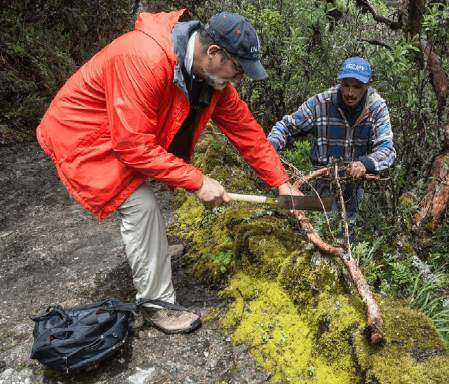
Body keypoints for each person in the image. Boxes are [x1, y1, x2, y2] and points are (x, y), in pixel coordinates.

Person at [37, 10, 301, 335]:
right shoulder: (144, 57)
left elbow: (246, 131)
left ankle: (154, 256)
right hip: (82, 134)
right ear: (214, 52)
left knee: (145, 194)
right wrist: (197, 181)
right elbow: (132, 146)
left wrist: (282, 182)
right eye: (238, 68)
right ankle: (158, 304)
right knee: (141, 205)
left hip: (117, 132)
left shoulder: (209, 79)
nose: (239, 78)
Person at [268, 57, 395, 243]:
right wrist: (268, 149)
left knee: (347, 226)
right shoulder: (321, 104)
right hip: (322, 179)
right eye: (346, 85)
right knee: (325, 224)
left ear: (368, 85)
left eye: (357, 87)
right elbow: (286, 126)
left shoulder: (376, 107)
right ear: (339, 82)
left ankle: (344, 257)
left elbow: (387, 149)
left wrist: (365, 164)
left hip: (355, 182)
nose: (350, 93)